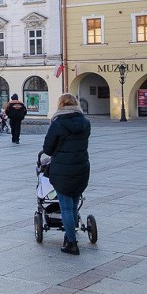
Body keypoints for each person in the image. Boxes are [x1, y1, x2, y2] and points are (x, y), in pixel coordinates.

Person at [42, 93, 90, 256]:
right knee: (74, 205)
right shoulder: (85, 122)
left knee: (66, 208)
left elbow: (48, 148)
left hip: (62, 170)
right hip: (81, 168)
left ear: (61, 104)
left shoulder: (58, 123)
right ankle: (69, 235)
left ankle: (71, 243)